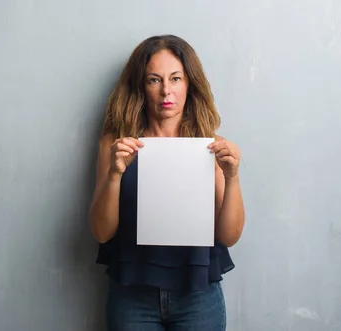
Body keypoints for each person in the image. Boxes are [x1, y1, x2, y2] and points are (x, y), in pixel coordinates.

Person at [88, 34, 245, 331]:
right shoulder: (116, 143)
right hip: (133, 295)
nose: (165, 91)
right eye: (154, 80)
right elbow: (101, 231)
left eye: (175, 79)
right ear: (140, 86)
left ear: (189, 84)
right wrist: (114, 175)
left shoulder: (211, 146)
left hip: (198, 296)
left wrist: (232, 177)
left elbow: (229, 236)